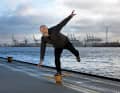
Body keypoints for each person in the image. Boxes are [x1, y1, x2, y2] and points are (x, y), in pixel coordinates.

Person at [38, 10, 80, 75]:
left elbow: (62, 24)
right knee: (56, 59)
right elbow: (42, 49)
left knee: (74, 51)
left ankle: (77, 55)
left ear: (47, 28)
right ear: (41, 31)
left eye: (44, 29)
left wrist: (70, 16)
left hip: (65, 42)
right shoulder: (43, 38)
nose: (43, 31)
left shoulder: (54, 30)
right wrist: (41, 59)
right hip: (57, 47)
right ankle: (59, 72)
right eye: (42, 30)